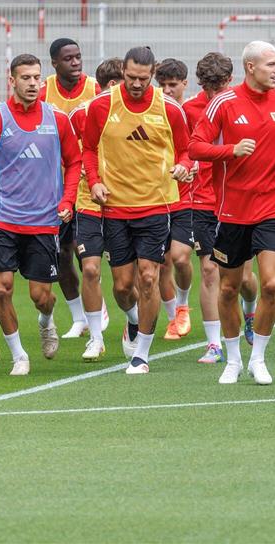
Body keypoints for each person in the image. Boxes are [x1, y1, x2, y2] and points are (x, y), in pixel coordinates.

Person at [0, 53, 82, 376]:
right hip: (1, 220)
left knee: (42, 296)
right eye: (26, 78)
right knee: (1, 288)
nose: (33, 83)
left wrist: (68, 199)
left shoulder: (57, 119)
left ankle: (46, 320)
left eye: (37, 77)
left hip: (43, 223)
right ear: (12, 81)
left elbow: (75, 161)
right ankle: (18, 354)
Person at [189, 41, 275, 385]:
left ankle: (258, 358)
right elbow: (196, 147)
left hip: (273, 208)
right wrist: (231, 150)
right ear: (250, 67)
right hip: (232, 212)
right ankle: (233, 359)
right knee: (228, 288)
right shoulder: (224, 103)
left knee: (270, 283)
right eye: (270, 64)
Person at [83, 46, 193, 375]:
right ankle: (132, 321)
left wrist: (183, 167)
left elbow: (186, 151)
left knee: (149, 277)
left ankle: (141, 354)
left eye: (143, 79)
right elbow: (88, 148)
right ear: (123, 72)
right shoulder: (102, 106)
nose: (136, 84)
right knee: (121, 286)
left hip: (155, 206)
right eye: (130, 77)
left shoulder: (170, 109)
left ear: (153, 74)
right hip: (115, 207)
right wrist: (95, 182)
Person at [182, 52, 260, 363]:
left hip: (240, 200)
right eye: (208, 87)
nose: (214, 94)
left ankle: (250, 311)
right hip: (202, 200)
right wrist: (186, 165)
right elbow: (188, 148)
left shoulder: (246, 104)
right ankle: (214, 343)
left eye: (220, 86)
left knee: (243, 279)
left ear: (231, 80)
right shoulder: (190, 109)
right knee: (210, 269)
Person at [38, 38, 102, 339]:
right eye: (68, 58)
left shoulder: (94, 89)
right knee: (60, 254)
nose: (76, 62)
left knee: (84, 250)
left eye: (78, 57)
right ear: (54, 63)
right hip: (54, 187)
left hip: (87, 185)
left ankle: (97, 308)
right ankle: (79, 316)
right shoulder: (43, 92)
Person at [66, 57, 124, 361]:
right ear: (113, 85)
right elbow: (70, 155)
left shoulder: (134, 113)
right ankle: (96, 337)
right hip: (88, 201)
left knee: (127, 280)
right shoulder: (80, 115)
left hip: (127, 203)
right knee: (89, 268)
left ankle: (134, 320)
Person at [154, 57, 196, 341]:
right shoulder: (155, 111)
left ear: (184, 84)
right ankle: (173, 319)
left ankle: (183, 305)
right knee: (162, 264)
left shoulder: (192, 111)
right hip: (157, 196)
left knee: (181, 258)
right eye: (163, 85)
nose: (167, 90)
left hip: (188, 197)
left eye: (173, 85)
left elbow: (198, 148)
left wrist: (191, 168)